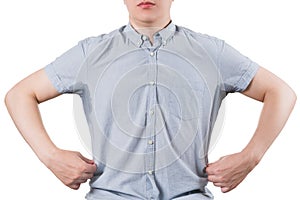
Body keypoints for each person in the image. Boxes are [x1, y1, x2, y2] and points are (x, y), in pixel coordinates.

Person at [5, 0, 296, 199]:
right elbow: (20, 95)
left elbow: (281, 92)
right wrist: (51, 156)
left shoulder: (212, 53)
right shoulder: (90, 53)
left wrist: (250, 157)